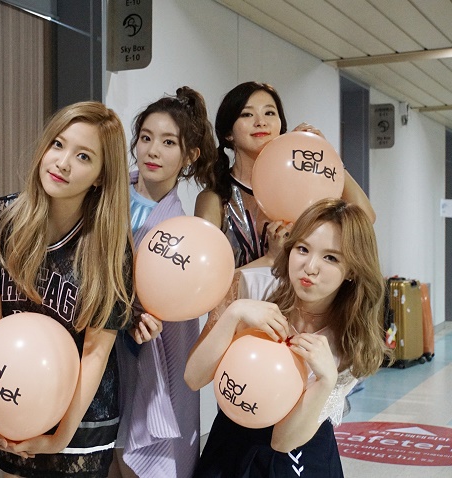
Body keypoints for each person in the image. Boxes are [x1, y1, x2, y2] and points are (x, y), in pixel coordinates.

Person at [0, 101, 134, 477]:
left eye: (83, 156)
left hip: (80, 421)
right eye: (58, 145)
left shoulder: (111, 249)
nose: (62, 163)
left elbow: (96, 351)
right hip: (12, 402)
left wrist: (61, 436)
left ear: (100, 177)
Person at [184, 198, 390, 477]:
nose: (310, 267)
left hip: (301, 448)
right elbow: (193, 378)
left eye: (331, 258)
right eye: (303, 249)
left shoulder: (350, 338)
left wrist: (326, 381)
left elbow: (283, 442)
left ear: (352, 269)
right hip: (231, 441)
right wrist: (234, 313)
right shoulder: (252, 287)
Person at [110, 87, 217, 478]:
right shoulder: (104, 199)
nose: (153, 151)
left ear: (190, 156)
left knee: (144, 456)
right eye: (146, 138)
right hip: (99, 345)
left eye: (169, 142)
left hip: (151, 348)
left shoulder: (182, 228)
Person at [193, 81, 376, 269]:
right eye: (247, 114)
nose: (261, 122)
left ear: (281, 126)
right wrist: (270, 259)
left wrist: (329, 156)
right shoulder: (215, 199)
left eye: (269, 113)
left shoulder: (303, 188)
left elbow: (365, 218)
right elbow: (204, 276)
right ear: (228, 133)